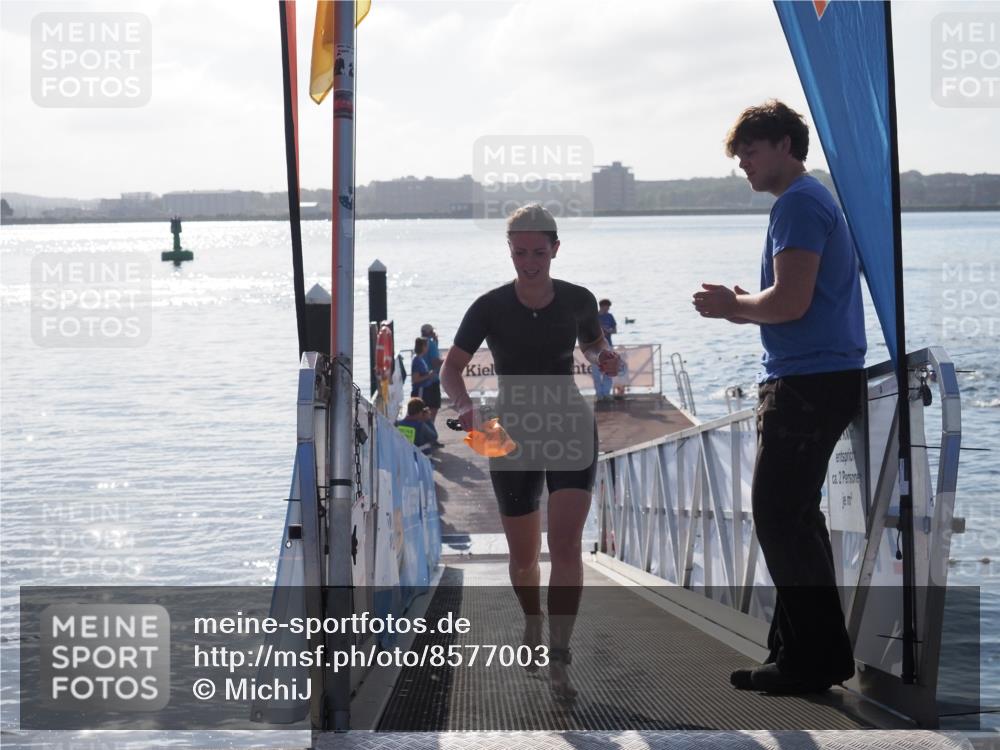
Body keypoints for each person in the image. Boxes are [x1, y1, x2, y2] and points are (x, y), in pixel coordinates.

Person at [692, 100, 866, 695]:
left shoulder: (798, 203)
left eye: (751, 149)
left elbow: (790, 303)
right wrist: (746, 306)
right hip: (818, 377)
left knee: (779, 516)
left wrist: (731, 307)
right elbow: (794, 302)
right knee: (794, 518)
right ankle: (796, 652)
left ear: (785, 147)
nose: (742, 161)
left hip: (809, 384)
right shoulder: (808, 202)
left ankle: (815, 659)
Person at [441, 204, 622, 702]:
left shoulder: (579, 299)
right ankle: (533, 618)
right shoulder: (489, 306)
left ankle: (561, 658)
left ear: (556, 249)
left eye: (538, 252)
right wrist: (463, 406)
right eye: (519, 252)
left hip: (568, 419)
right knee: (523, 561)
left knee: (565, 547)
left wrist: (604, 357)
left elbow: (593, 347)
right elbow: (451, 369)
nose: (529, 262)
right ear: (509, 251)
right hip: (508, 429)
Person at [419, 323, 444, 445]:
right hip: (432, 381)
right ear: (430, 332)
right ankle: (430, 437)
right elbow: (435, 362)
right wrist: (446, 361)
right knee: (432, 409)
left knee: (425, 409)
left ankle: (427, 436)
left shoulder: (421, 343)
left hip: (423, 384)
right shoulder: (431, 343)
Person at [590, 299, 617, 401]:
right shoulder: (593, 317)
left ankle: (606, 393)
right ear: (602, 306)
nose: (608, 309)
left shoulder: (610, 316)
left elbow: (615, 330)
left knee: (609, 371)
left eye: (609, 307)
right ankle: (599, 394)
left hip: (608, 346)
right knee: (596, 372)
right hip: (595, 347)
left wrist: (609, 330)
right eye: (607, 307)